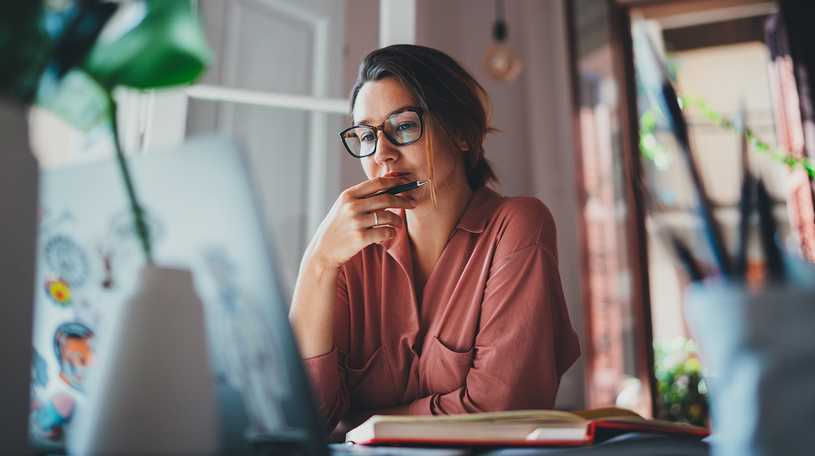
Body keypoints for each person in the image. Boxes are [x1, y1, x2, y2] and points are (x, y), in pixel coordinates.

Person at [289, 44, 580, 437]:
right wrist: (318, 262)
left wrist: (365, 423)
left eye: (404, 126)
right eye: (366, 136)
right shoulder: (349, 254)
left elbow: (501, 409)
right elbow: (304, 418)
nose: (383, 156)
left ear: (461, 132)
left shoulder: (517, 226)